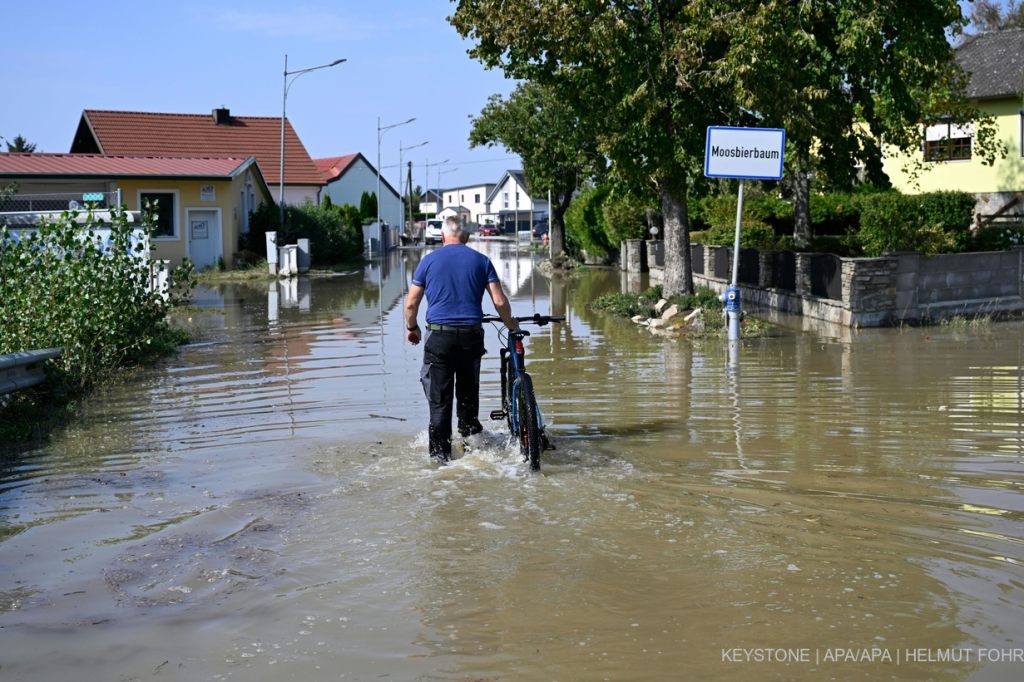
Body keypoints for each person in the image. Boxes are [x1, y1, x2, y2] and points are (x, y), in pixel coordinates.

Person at [404, 217, 518, 462]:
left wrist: (412, 328)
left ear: (442, 237)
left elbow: (411, 303)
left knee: (440, 403)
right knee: (467, 396)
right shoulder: (482, 261)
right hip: (471, 338)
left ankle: (439, 459)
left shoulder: (428, 262)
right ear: (467, 238)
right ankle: (472, 449)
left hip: (439, 338)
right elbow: (499, 301)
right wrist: (511, 325)